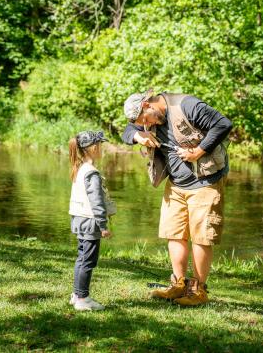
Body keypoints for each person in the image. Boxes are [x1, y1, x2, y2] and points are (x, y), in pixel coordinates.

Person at [122, 89, 232, 306]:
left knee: (201, 237)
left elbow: (223, 124)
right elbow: (127, 132)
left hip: (205, 181)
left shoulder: (186, 105)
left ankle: (198, 290)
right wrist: (138, 135)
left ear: (147, 105)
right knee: (174, 233)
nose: (146, 124)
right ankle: (178, 284)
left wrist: (198, 151)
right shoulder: (144, 118)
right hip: (175, 184)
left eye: (145, 120)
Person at [68, 130, 112, 311]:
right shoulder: (91, 173)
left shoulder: (80, 168)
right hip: (89, 221)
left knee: (82, 258)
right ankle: (82, 298)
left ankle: (77, 294)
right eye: (100, 145)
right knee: (88, 260)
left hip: (79, 219)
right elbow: (97, 201)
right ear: (94, 148)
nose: (102, 148)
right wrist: (103, 225)